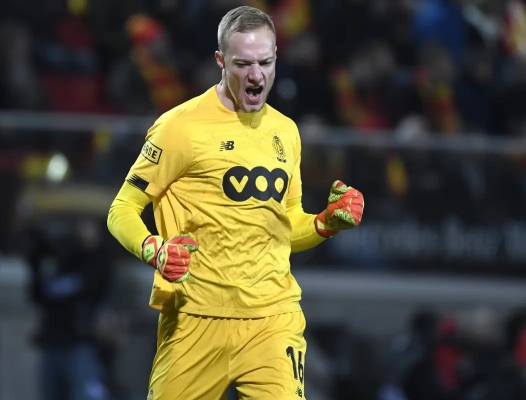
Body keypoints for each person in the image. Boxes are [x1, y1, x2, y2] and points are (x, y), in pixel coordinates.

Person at [107, 6, 365, 400]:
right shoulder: (179, 127)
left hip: (273, 320)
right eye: (243, 64)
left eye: (265, 62)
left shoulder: (286, 132)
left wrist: (325, 222)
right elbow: (121, 209)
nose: (256, 75)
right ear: (220, 60)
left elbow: (285, 226)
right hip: (196, 318)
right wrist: (152, 249)